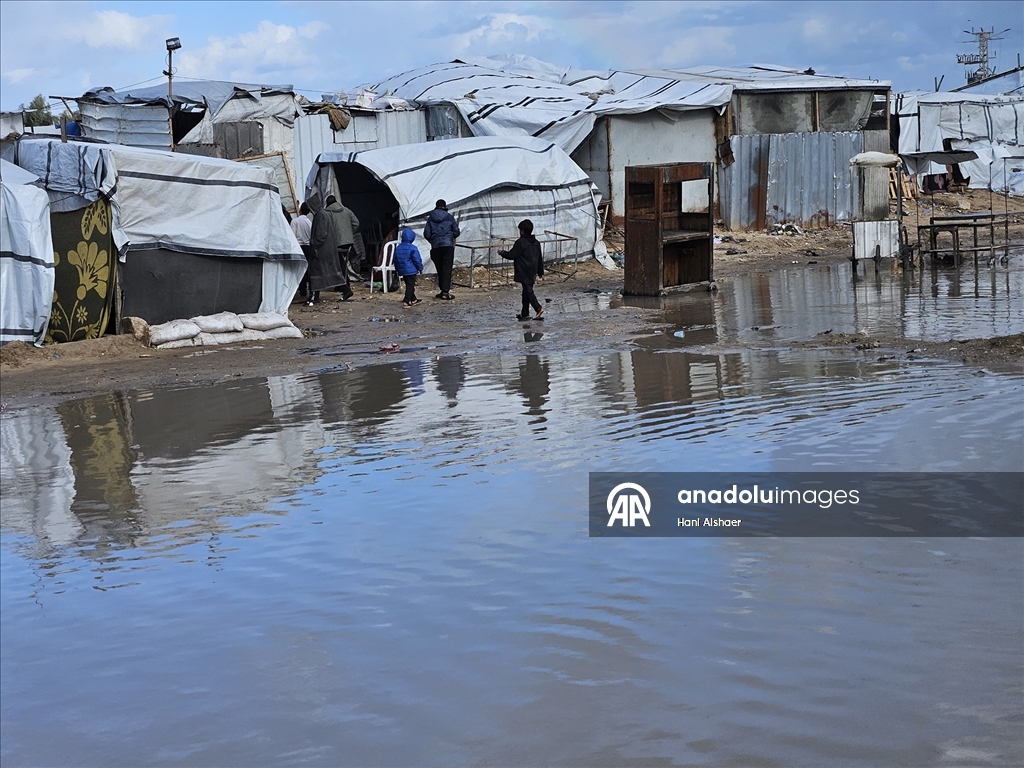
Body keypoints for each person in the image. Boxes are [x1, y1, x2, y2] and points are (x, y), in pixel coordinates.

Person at [498, 219, 545, 321]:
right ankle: (525, 313)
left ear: (522, 231)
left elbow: (512, 255)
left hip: (524, 269)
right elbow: (539, 258)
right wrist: (540, 271)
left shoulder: (521, 242)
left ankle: (538, 307)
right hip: (533, 270)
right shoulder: (536, 243)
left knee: (528, 291)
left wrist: (502, 252)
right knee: (525, 291)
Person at [307, 198, 347, 305]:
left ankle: (314, 296)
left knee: (316, 272)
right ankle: (346, 290)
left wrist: (314, 243)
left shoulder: (320, 216)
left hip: (322, 250)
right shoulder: (325, 214)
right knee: (332, 273)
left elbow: (321, 234)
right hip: (328, 248)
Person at [423, 199, 460, 300]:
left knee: (440, 269)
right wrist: (450, 236)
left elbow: (426, 234)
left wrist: (433, 240)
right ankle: (445, 292)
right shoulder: (449, 217)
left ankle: (442, 290)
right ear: (444, 206)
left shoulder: (430, 218)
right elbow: (456, 232)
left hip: (436, 247)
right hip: (448, 245)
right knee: (447, 268)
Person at [325, 194, 360, 297]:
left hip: (336, 242)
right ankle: (343, 284)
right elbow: (356, 223)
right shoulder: (347, 210)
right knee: (343, 263)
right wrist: (349, 233)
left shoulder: (328, 213)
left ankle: (344, 285)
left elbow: (326, 228)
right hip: (348, 241)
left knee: (338, 264)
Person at [394, 227, 424, 308]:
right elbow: (417, 260)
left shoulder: (398, 248)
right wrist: (420, 268)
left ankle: (413, 299)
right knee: (410, 286)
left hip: (402, 270)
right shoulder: (413, 248)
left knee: (408, 284)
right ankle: (406, 301)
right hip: (411, 270)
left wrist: (397, 269)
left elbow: (395, 260)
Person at [291, 202, 313, 299]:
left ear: (300, 210)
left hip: (299, 248)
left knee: (300, 270)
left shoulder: (295, 221)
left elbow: (292, 236)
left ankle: (302, 291)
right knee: (308, 270)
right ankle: (310, 291)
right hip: (308, 247)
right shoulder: (309, 222)